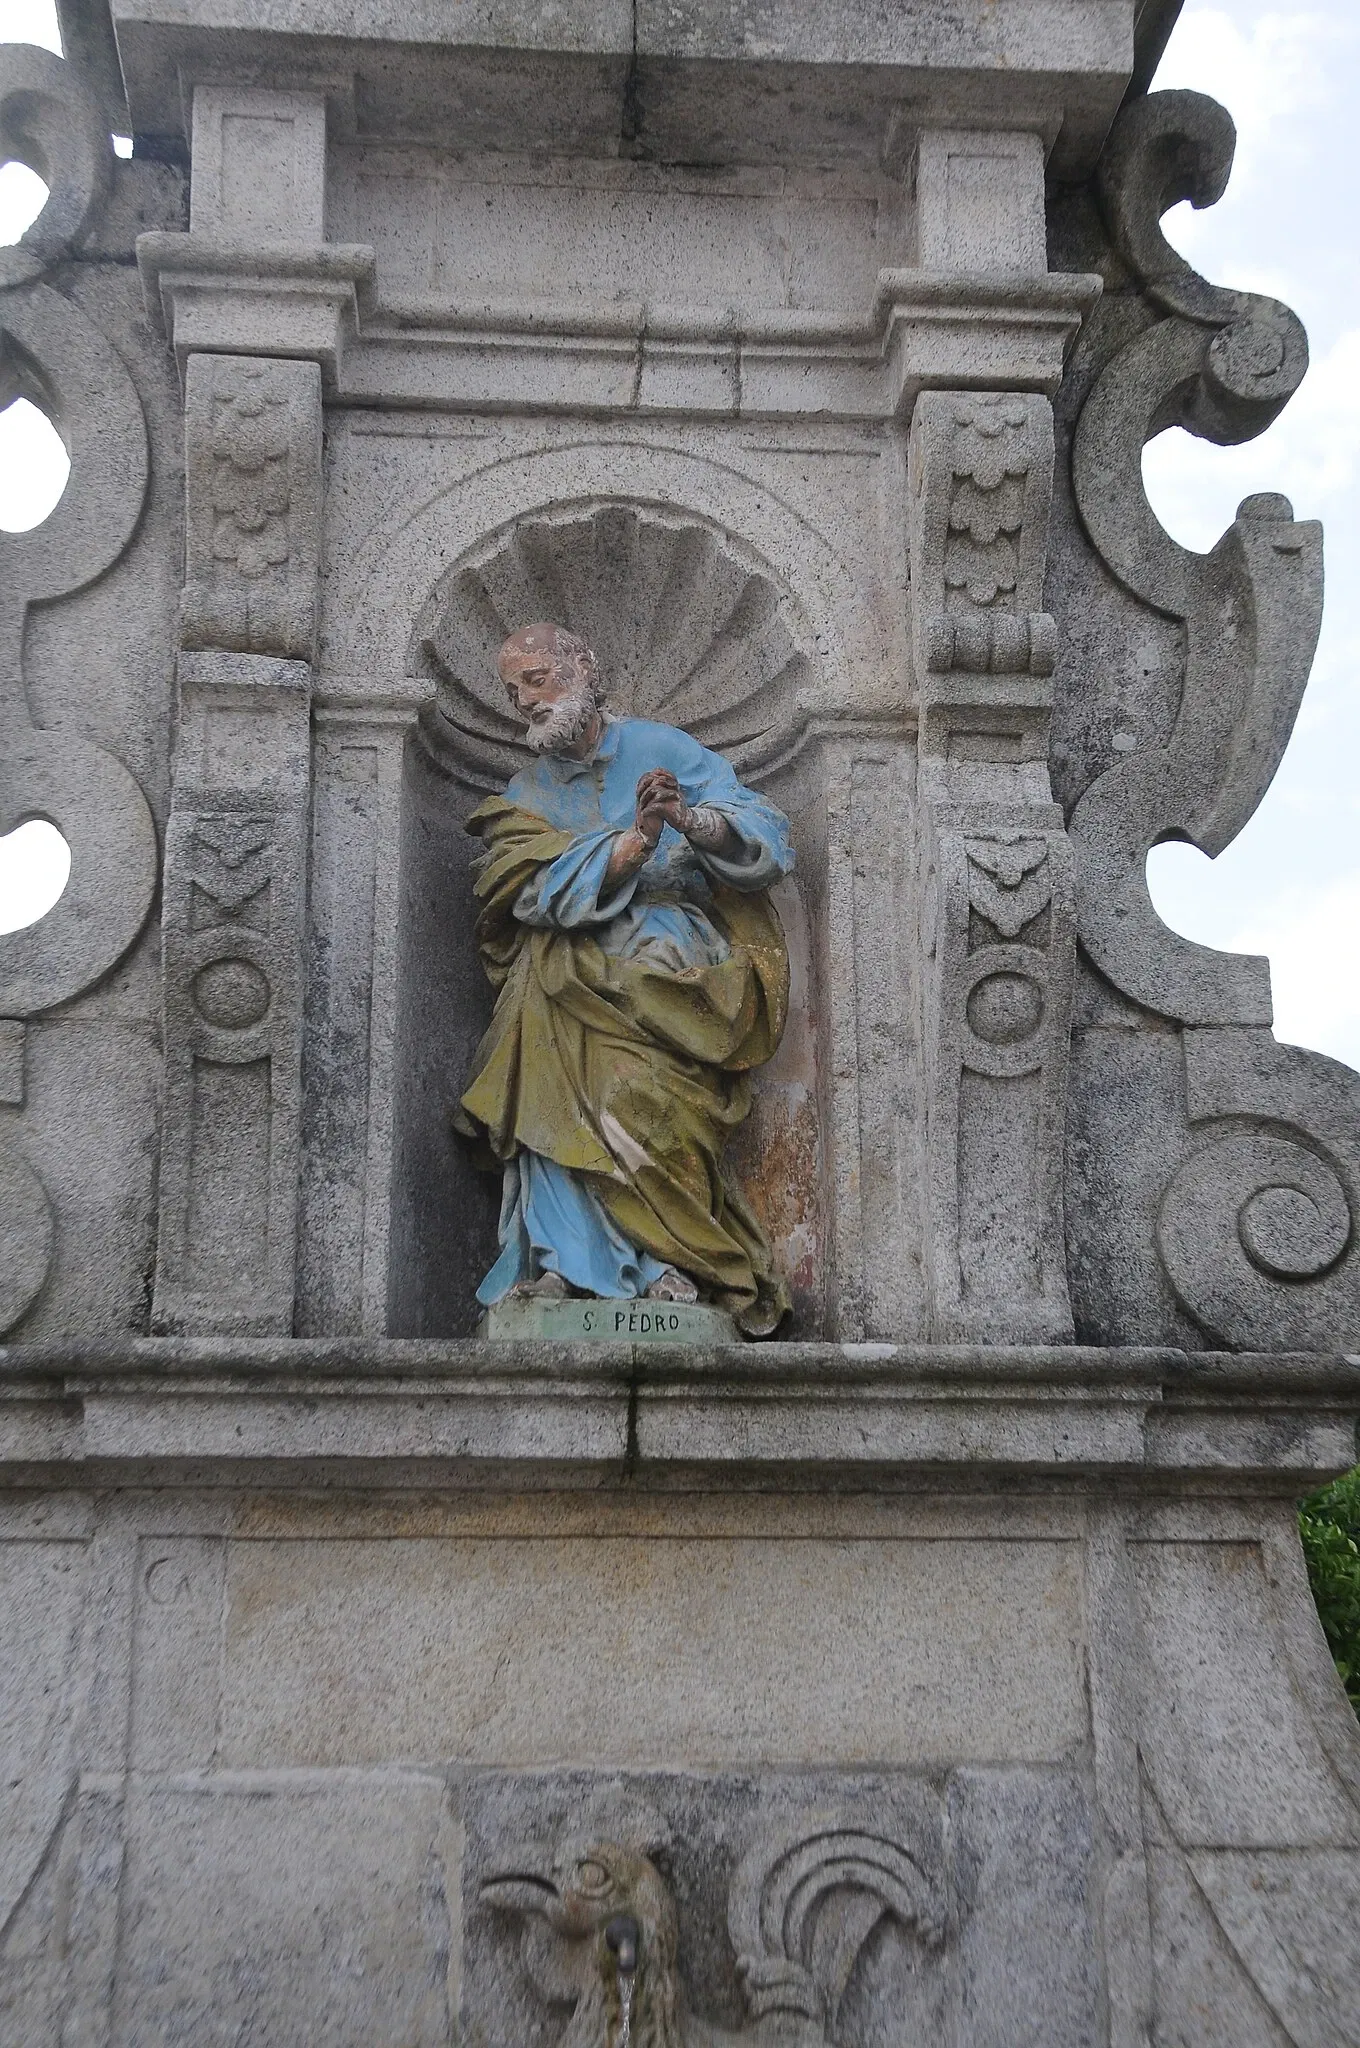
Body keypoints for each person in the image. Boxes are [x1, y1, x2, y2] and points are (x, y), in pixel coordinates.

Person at [454, 622, 795, 1335]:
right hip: (561, 982)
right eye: (513, 692)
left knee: (649, 1102)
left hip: (673, 969)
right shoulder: (525, 792)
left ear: (582, 667)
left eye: (536, 680)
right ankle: (565, 1261)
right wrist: (633, 844)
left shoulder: (662, 750)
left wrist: (688, 820)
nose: (524, 702)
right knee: (554, 1091)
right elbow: (517, 889)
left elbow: (764, 833)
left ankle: (673, 1260)